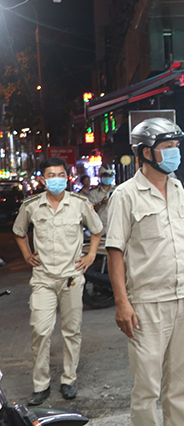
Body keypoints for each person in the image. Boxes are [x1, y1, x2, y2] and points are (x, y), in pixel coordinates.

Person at [106, 117, 184, 426]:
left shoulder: (182, 190)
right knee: (147, 388)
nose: (175, 152)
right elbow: (115, 251)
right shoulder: (125, 196)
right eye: (167, 147)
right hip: (146, 303)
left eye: (177, 146)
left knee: (183, 385)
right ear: (145, 152)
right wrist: (121, 302)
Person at [12, 157, 103, 405]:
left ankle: (68, 380)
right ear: (43, 179)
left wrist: (91, 254)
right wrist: (27, 254)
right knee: (40, 331)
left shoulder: (79, 204)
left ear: (67, 177)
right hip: (42, 279)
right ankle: (40, 385)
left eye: (61, 174)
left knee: (71, 331)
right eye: (51, 175)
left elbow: (97, 229)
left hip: (71, 278)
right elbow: (19, 232)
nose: (57, 179)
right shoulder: (31, 206)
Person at [87, 165, 116, 234]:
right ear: (100, 176)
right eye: (106, 175)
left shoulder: (117, 191)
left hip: (115, 227)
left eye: (110, 175)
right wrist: (101, 203)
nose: (108, 177)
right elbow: (89, 211)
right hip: (100, 228)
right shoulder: (93, 193)